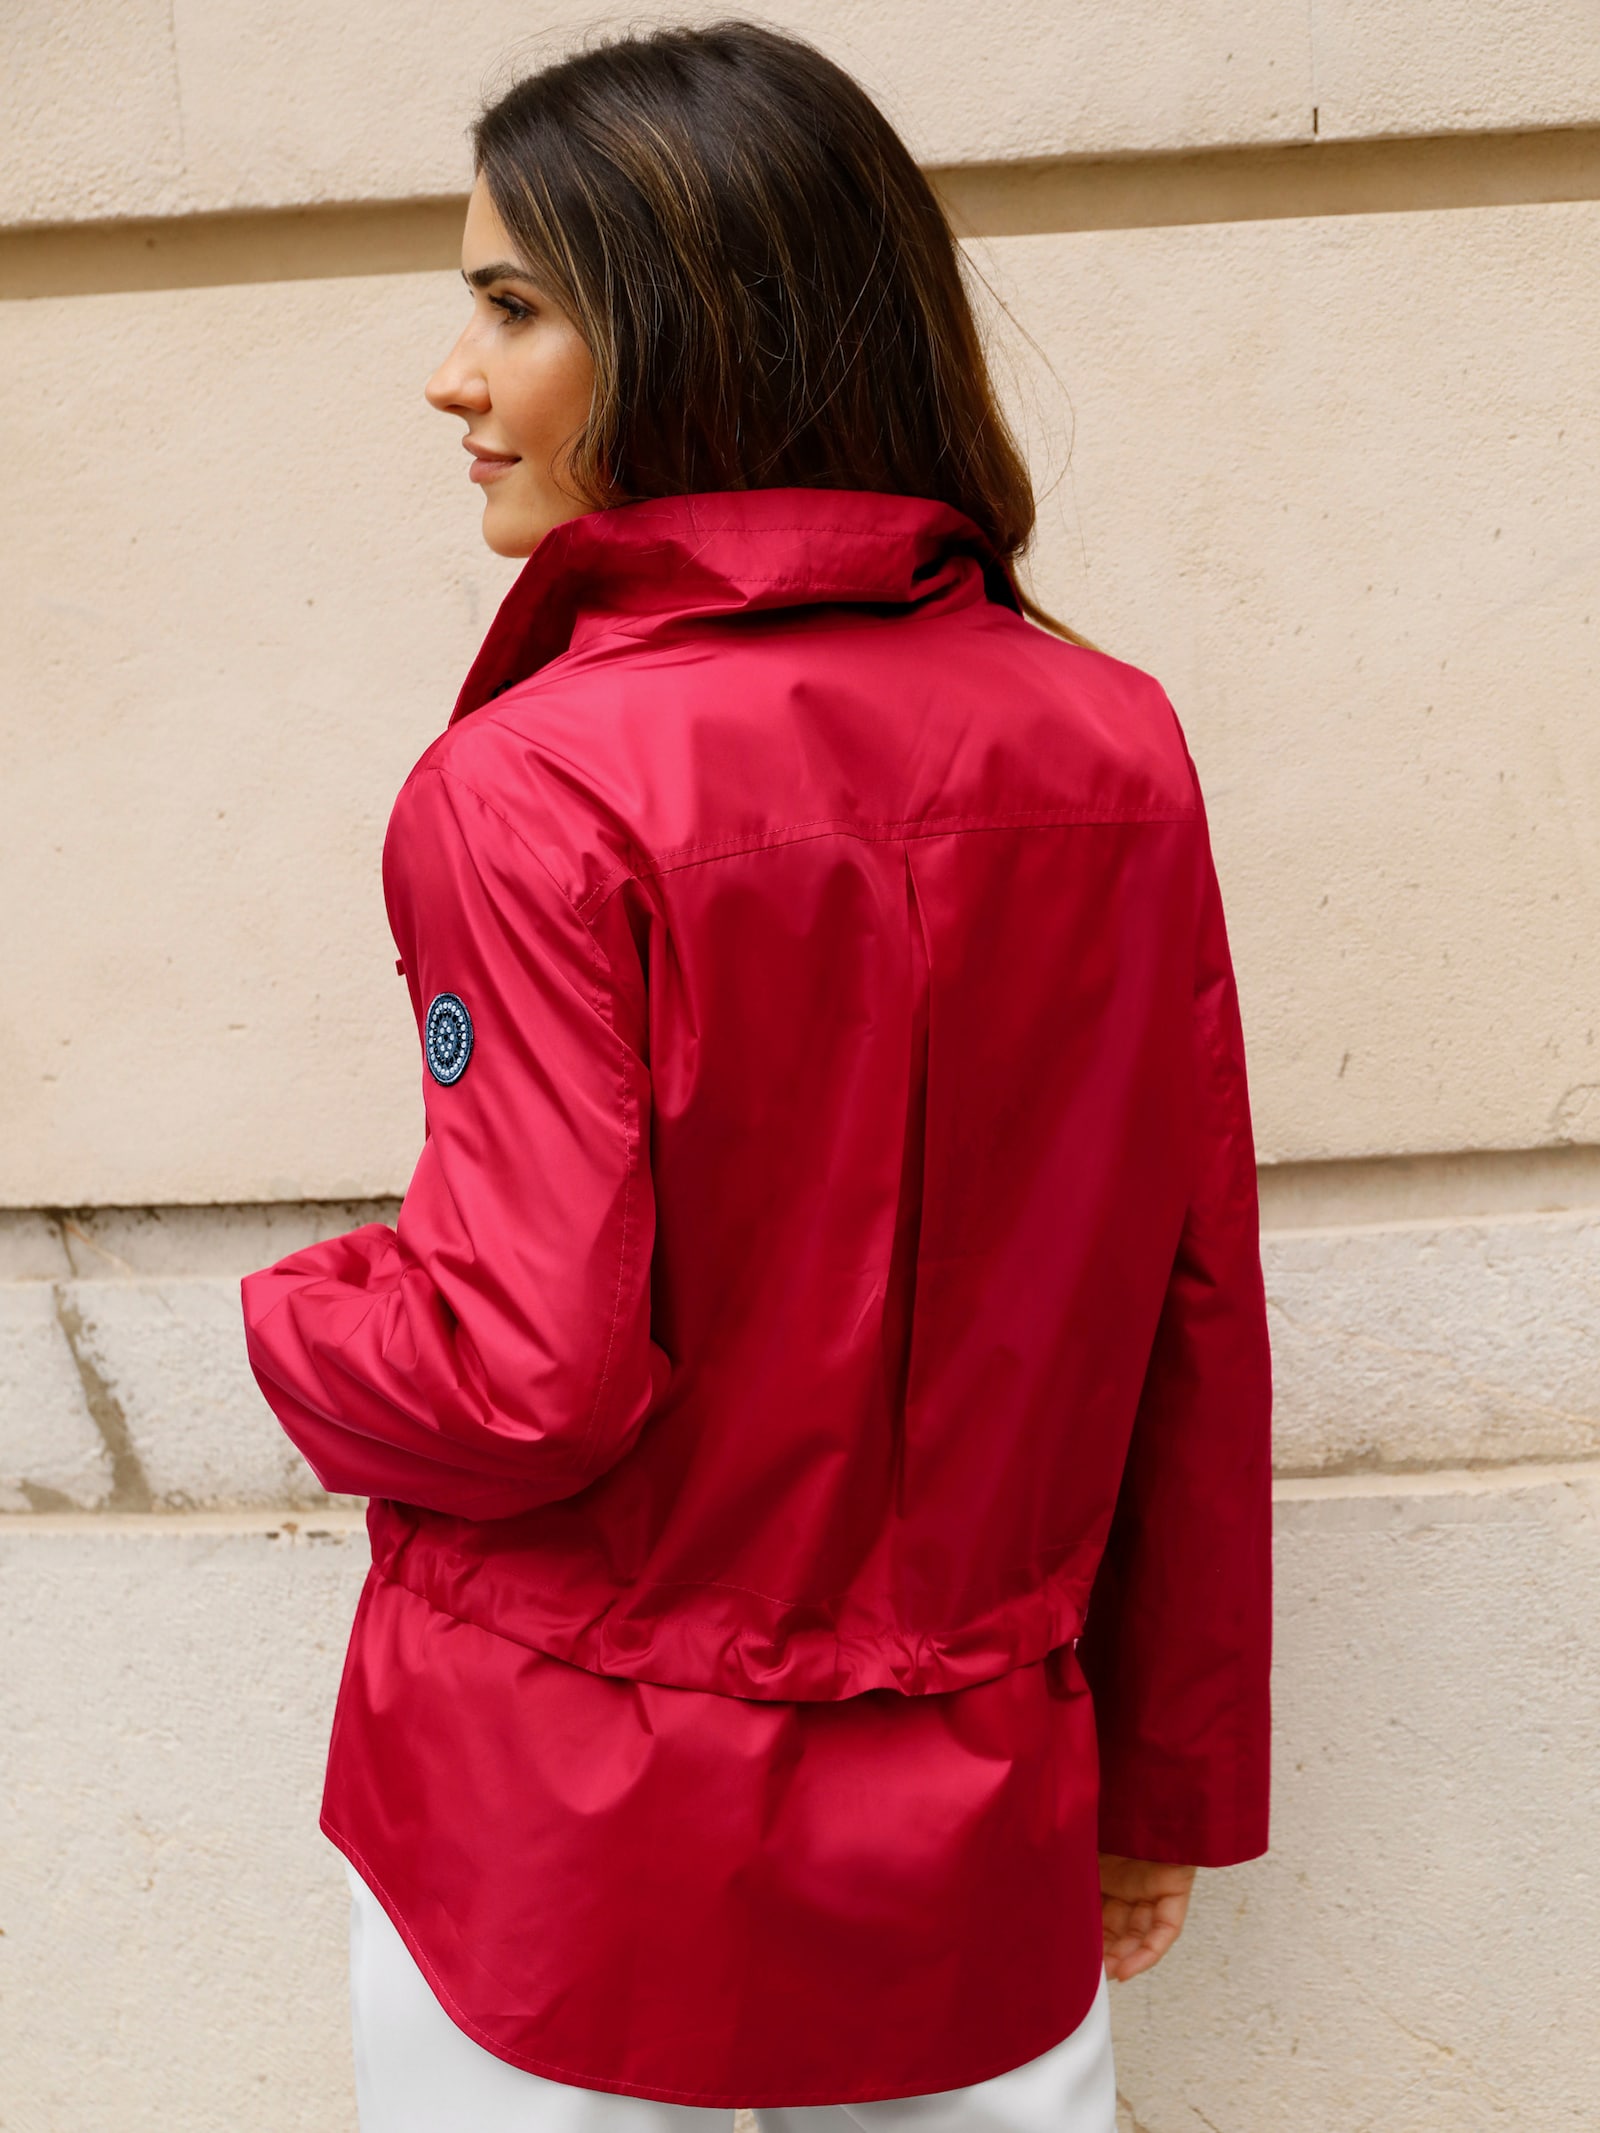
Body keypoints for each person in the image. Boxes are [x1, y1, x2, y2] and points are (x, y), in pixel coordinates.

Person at [240, 21, 1273, 2132]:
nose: (453, 374)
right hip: (969, 1827)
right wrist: (1159, 1783)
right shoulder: (1110, 741)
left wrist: (293, 1315)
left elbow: (523, 1368)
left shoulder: (527, 785)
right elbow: (1188, 1301)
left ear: (691, 320)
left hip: (554, 1844)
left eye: (514, 305)